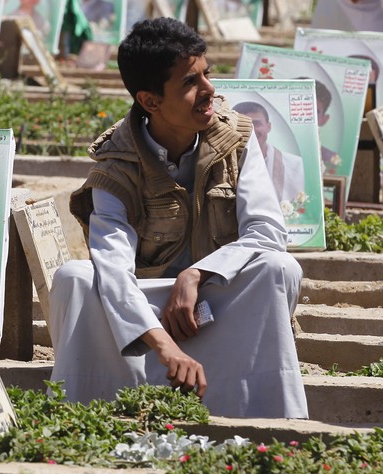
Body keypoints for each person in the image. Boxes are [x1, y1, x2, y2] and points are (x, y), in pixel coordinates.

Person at [48, 17, 308, 419]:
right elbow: (114, 270)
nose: (209, 90)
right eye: (190, 82)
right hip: (146, 309)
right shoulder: (116, 163)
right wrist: (165, 347)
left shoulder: (236, 137)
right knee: (75, 279)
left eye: (208, 74)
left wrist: (197, 275)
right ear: (150, 101)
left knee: (279, 267)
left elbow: (267, 231)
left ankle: (264, 418)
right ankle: (93, 414)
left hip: (214, 301)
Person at [233, 101, 305, 205]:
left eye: (256, 123)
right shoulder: (220, 164)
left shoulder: (295, 165)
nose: (251, 131)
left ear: (268, 126)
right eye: (243, 125)